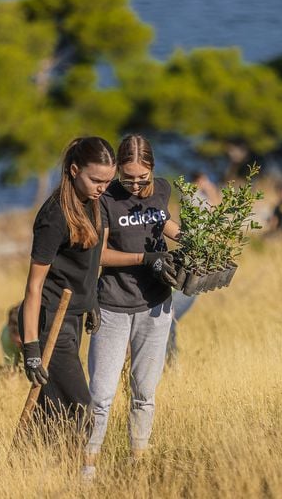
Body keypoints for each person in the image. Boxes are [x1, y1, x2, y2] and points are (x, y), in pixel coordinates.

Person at [82, 134, 180, 479]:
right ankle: (88, 467)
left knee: (144, 392)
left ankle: (139, 463)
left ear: (153, 169)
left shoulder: (162, 188)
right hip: (113, 305)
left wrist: (184, 237)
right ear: (117, 172)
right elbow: (100, 254)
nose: (136, 185)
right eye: (128, 178)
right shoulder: (106, 198)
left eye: (143, 177)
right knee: (101, 395)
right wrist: (144, 258)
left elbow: (161, 220)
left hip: (155, 306)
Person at [18, 136, 116, 435]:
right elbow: (34, 287)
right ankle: (78, 477)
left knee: (52, 417)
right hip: (49, 323)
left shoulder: (94, 204)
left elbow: (91, 263)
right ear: (74, 170)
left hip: (71, 318)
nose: (103, 187)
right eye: (96, 180)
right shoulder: (54, 217)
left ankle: (30, 472)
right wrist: (32, 347)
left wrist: (92, 301)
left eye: (108, 181)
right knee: (82, 412)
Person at [167, 172, 221, 362]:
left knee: (170, 319)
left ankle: (171, 361)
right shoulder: (191, 196)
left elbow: (217, 213)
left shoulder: (196, 196)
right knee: (169, 318)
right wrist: (209, 189)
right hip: (192, 258)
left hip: (197, 258)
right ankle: (170, 361)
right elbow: (216, 209)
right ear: (198, 181)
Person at [0, 302, 22, 367]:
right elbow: (11, 366)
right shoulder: (6, 337)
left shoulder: (41, 334)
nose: (17, 345)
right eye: (15, 342)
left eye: (20, 343)